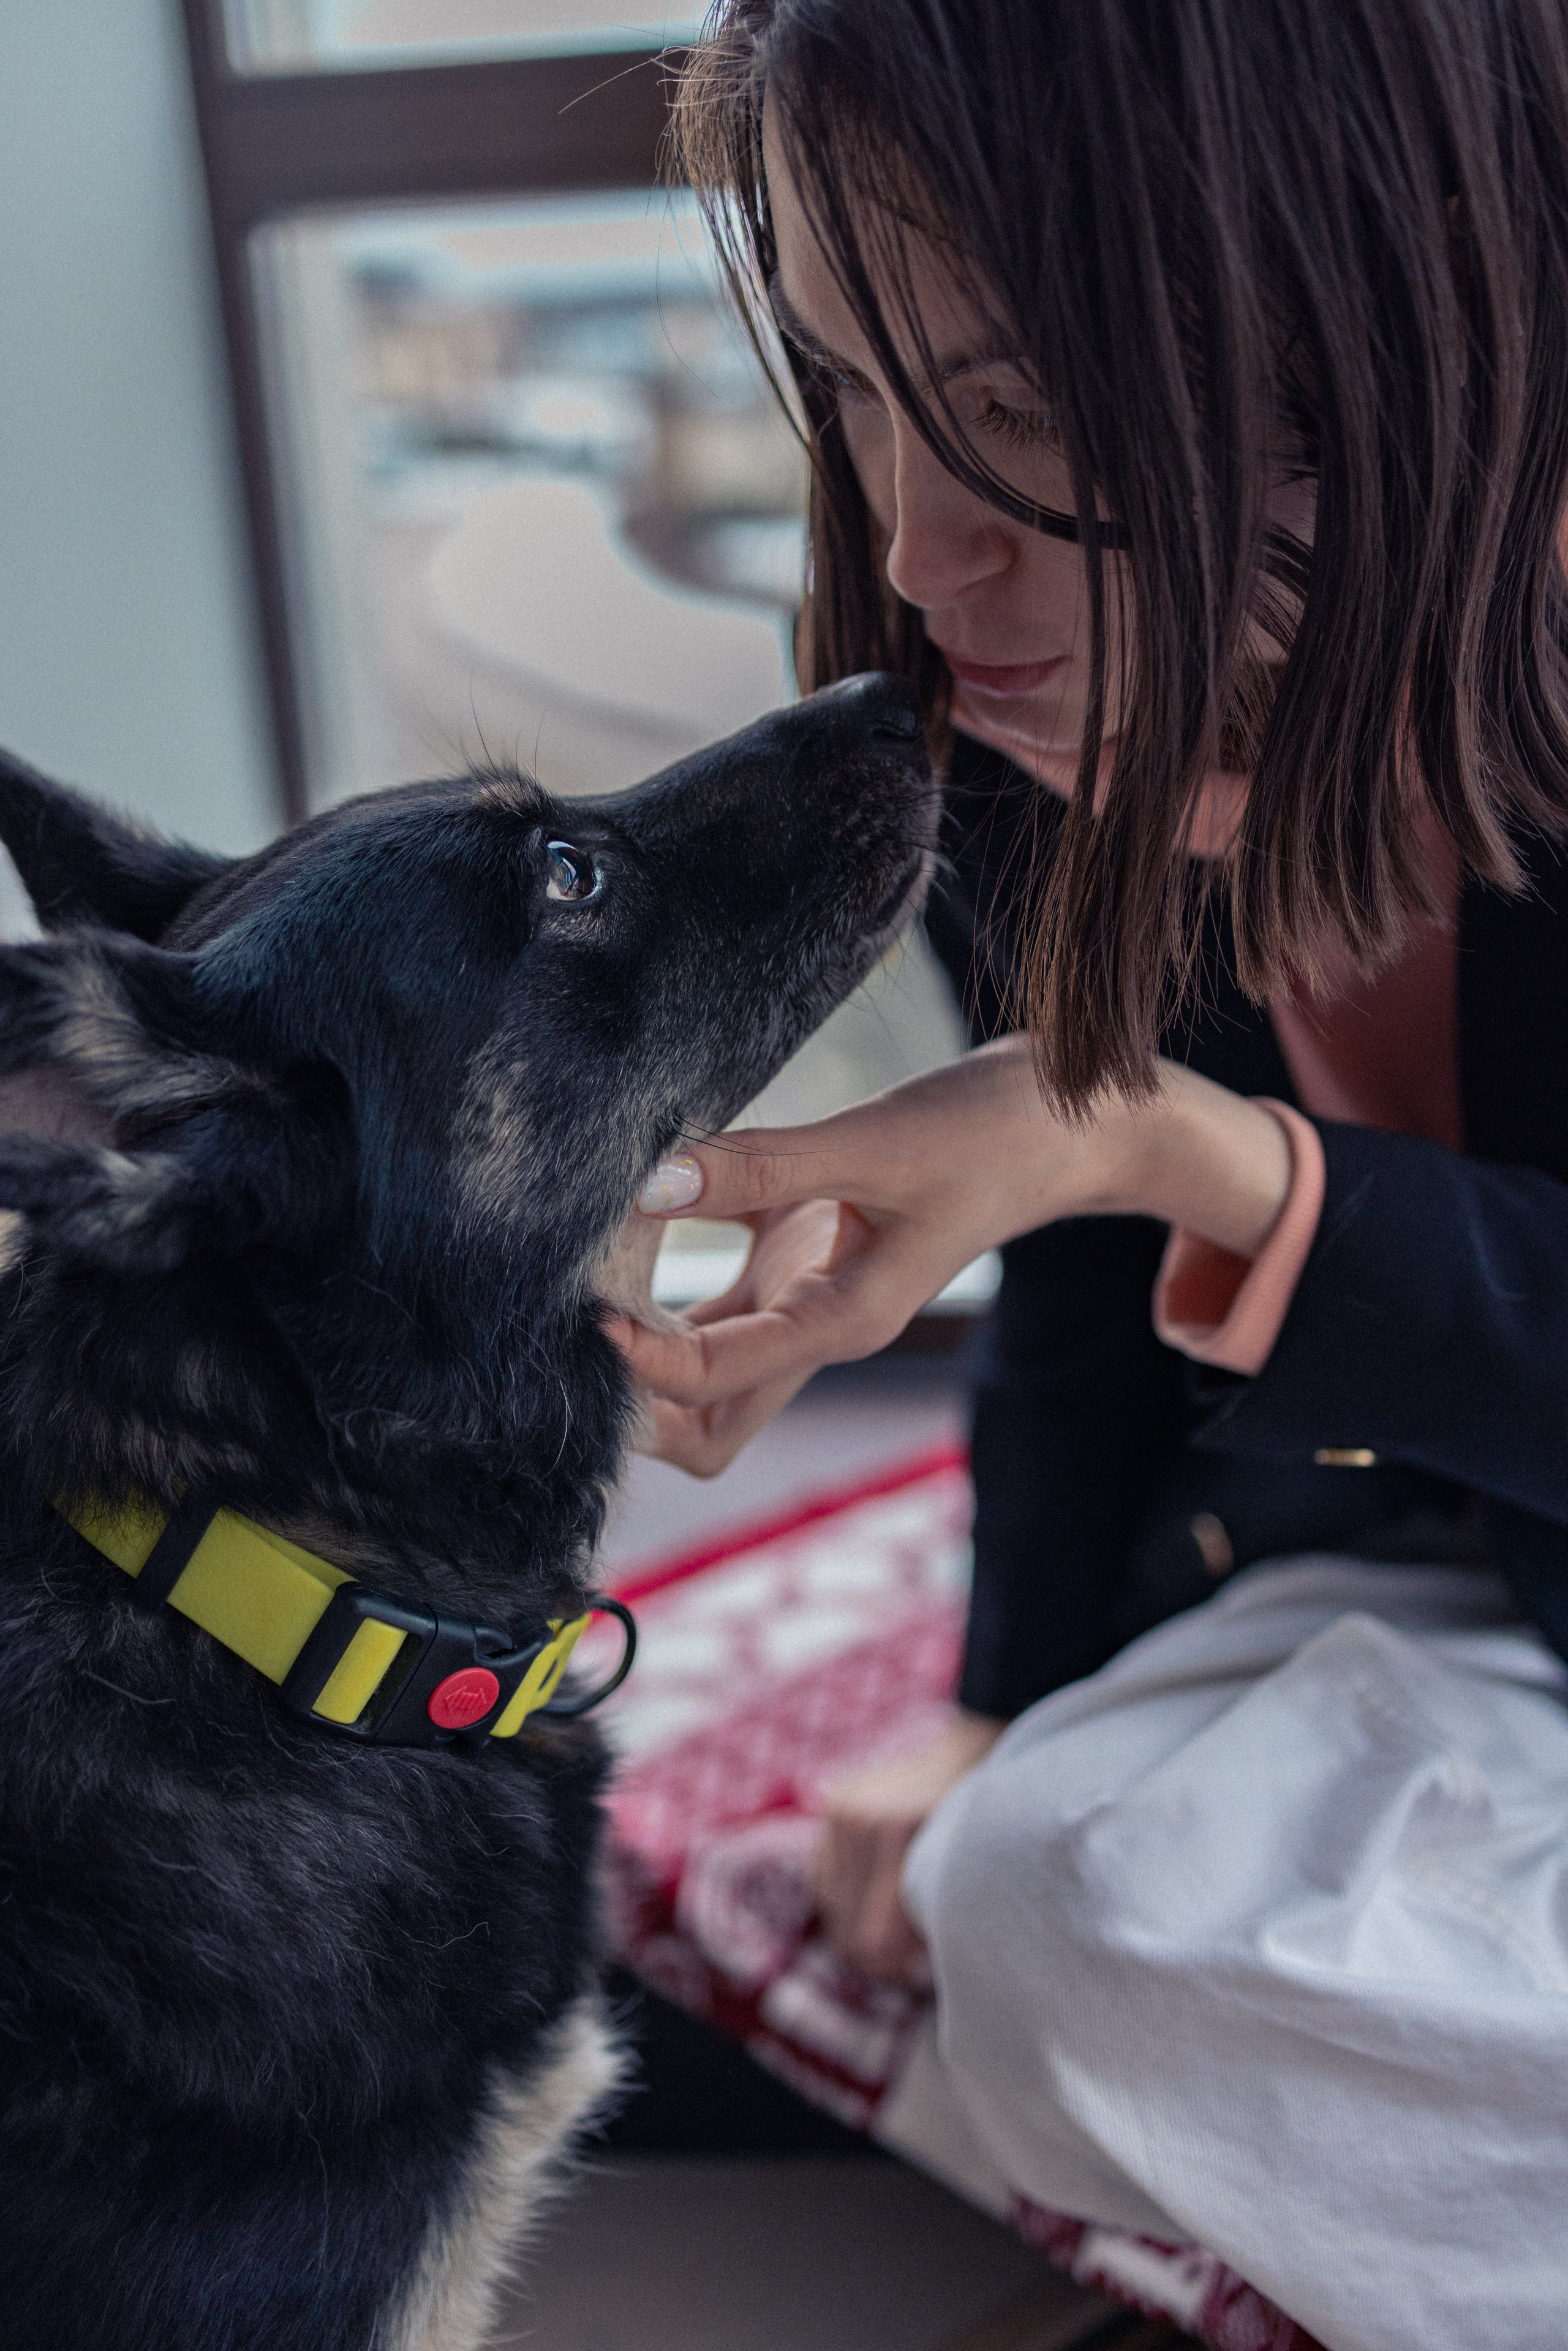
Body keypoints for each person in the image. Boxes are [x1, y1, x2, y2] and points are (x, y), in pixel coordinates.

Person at [614, 4, 1568, 2341]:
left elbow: (1127, 1152)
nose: (924, 546)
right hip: (1468, 1547)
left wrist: (1176, 1146)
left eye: (1025, 409)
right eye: (855, 390)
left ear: (1377, 295)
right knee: (1049, 1910)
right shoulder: (1028, 696)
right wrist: (1003, 1686)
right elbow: (1071, 1273)